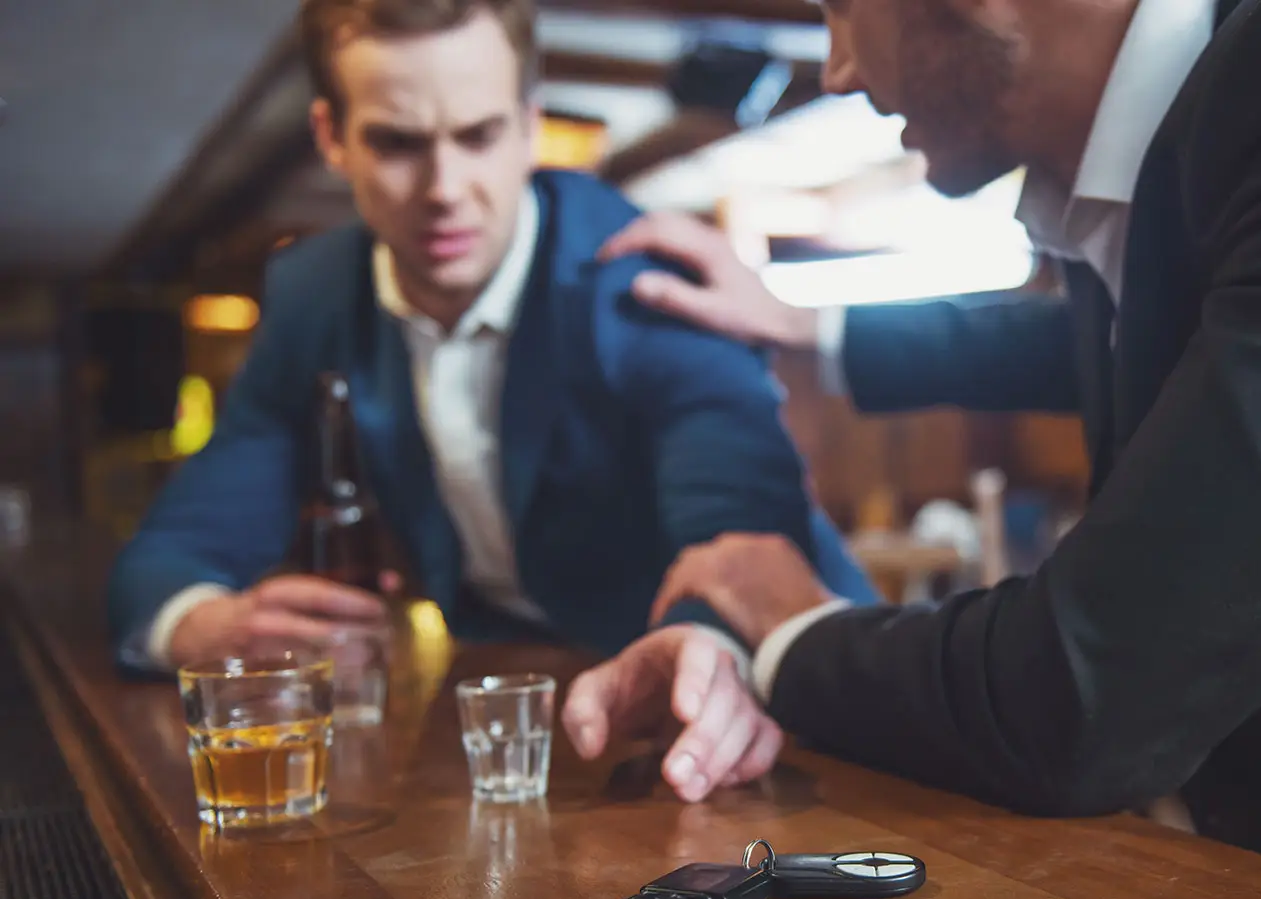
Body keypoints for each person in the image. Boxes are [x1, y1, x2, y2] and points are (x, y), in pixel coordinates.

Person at [561, 0, 1261, 899]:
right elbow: (1175, 326)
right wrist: (813, 328)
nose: (833, 69)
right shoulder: (1204, 130)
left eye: (839, 10)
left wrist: (789, 620)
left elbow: (1078, 689)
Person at [106, 0, 877, 748]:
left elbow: (740, 538)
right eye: (398, 143)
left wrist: (703, 652)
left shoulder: (644, 276)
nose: (445, 189)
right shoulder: (315, 295)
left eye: (479, 135)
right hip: (533, 710)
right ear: (332, 138)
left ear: (529, 127)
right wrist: (201, 624)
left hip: (794, 699)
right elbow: (169, 555)